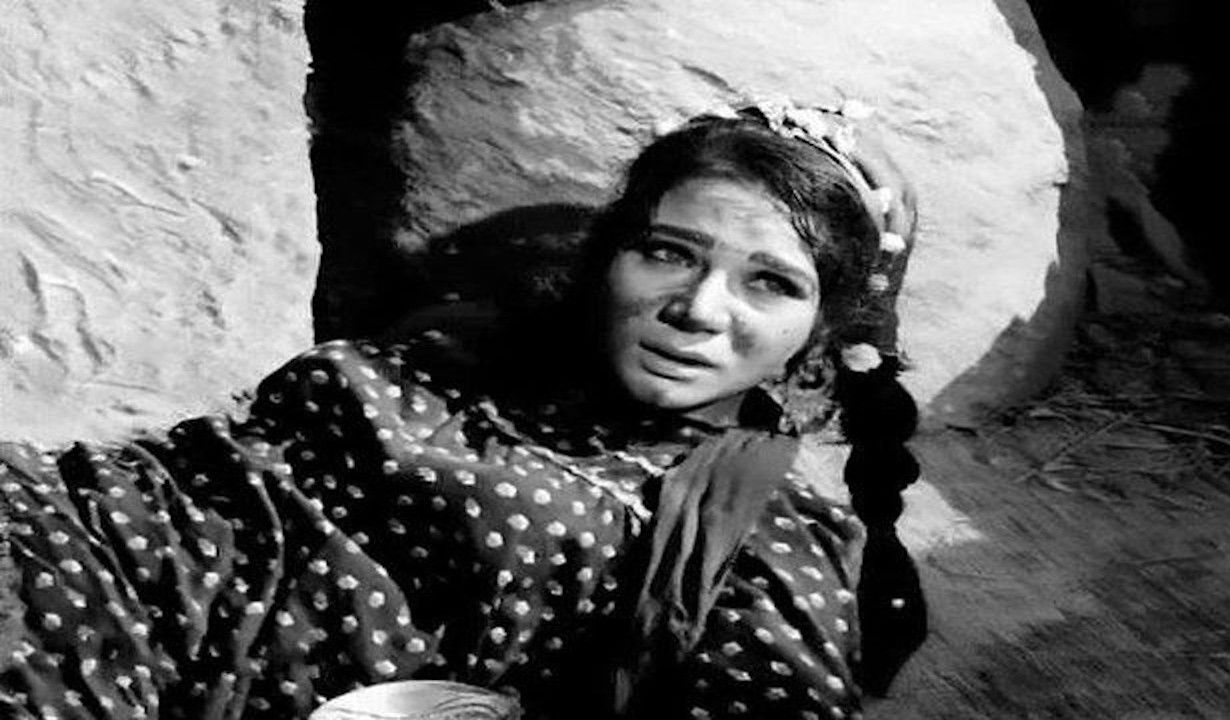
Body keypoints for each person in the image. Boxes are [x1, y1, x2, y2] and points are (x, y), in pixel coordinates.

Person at [0, 101, 926, 720]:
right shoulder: (466, 351)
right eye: (669, 253)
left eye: (769, 283)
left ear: (819, 327)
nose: (699, 309)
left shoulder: (759, 537)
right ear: (612, 254)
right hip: (67, 547)